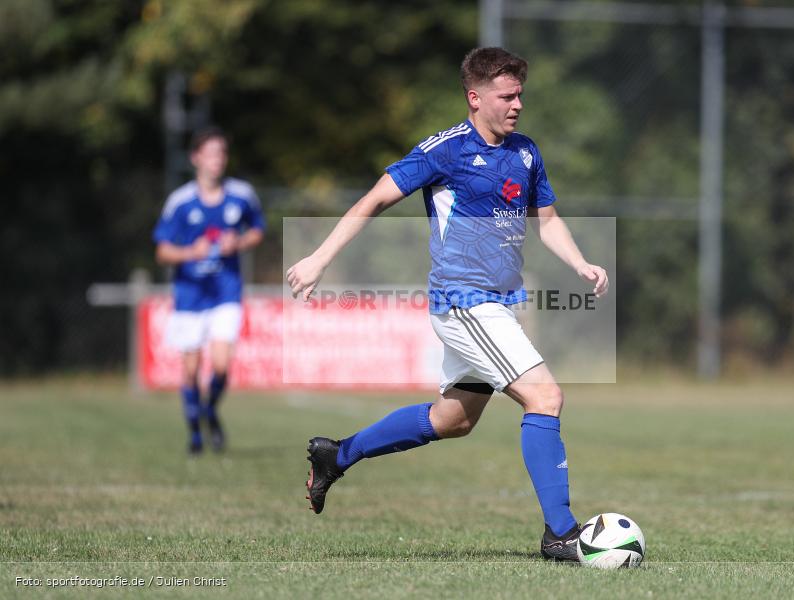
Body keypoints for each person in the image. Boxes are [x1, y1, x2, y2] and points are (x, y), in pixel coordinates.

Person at [285, 48, 608, 561]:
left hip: (498, 304)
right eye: (507, 95)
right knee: (545, 398)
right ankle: (561, 534)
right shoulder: (446, 150)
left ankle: (336, 454)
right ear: (475, 97)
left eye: (521, 93)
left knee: (452, 419)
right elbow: (373, 199)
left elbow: (546, 220)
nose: (518, 104)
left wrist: (581, 263)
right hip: (463, 302)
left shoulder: (526, 152)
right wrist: (320, 258)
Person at [153, 126, 265, 454]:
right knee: (189, 371)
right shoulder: (181, 201)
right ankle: (195, 431)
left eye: (222, 153)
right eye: (211, 153)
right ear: (195, 158)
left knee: (220, 365)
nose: (218, 160)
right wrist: (191, 253)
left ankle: (210, 409)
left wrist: (239, 242)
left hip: (225, 291)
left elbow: (257, 230)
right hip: (190, 295)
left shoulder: (241, 194)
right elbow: (162, 250)